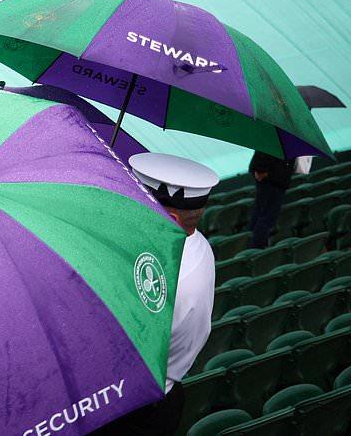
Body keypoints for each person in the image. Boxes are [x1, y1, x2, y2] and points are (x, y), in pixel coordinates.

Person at [96, 152, 217, 436]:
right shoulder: (198, 247)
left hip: (129, 409)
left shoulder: (161, 278)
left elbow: (111, 350)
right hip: (162, 397)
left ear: (170, 217)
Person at [247, 151, 295, 249]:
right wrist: (261, 171)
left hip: (274, 181)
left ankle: (253, 248)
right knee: (265, 217)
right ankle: (255, 249)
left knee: (262, 216)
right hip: (273, 181)